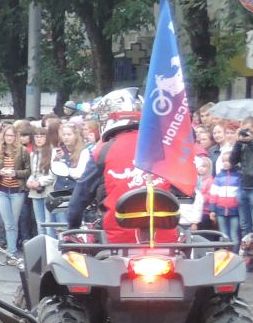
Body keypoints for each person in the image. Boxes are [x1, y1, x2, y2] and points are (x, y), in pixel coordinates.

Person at [66, 89, 177, 245]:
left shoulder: (102, 151)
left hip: (117, 242)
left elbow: (80, 196)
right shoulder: (166, 148)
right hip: (166, 241)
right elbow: (182, 188)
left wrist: (73, 227)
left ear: (109, 118)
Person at [0, 123, 29, 261]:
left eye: (12, 136)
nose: (9, 138)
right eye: (7, 135)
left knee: (14, 221)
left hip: (17, 190)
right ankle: (11, 252)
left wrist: (15, 173)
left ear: (16, 137)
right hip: (2, 190)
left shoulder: (23, 151)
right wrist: (0, 172)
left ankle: (11, 252)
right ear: (3, 136)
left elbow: (28, 171)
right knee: (8, 223)